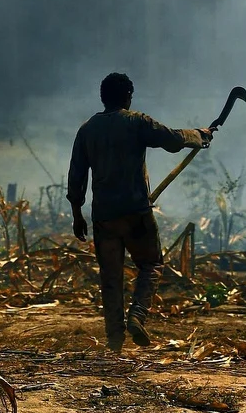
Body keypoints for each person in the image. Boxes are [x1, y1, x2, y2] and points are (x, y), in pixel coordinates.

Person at [68, 71, 211, 352]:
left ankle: (114, 341)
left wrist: (77, 213)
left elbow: (76, 176)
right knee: (151, 264)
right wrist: (199, 135)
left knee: (111, 276)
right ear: (128, 97)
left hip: (104, 216)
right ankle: (137, 315)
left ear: (103, 97)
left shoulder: (87, 130)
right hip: (136, 212)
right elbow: (171, 140)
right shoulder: (136, 122)